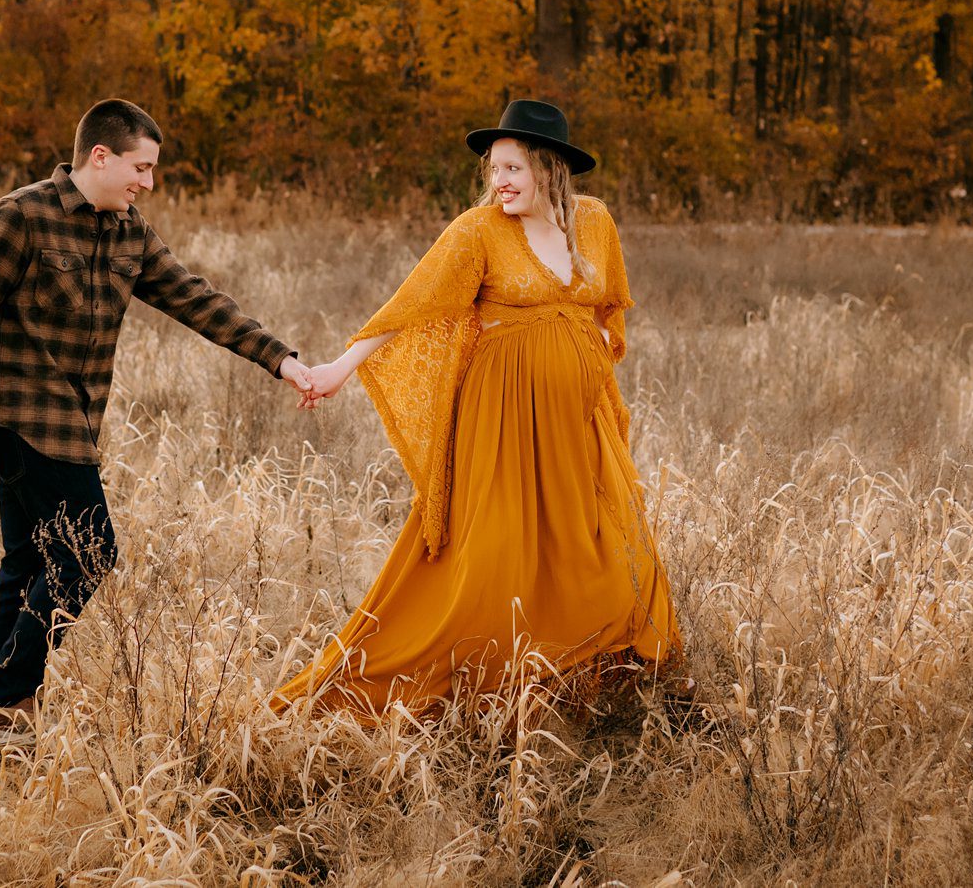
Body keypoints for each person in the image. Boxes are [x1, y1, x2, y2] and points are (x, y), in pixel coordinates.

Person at [278, 99, 682, 715]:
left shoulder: (594, 222)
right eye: (494, 170)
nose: (500, 183)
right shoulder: (478, 230)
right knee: (494, 558)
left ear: (550, 170)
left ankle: (591, 679)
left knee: (605, 545)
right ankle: (479, 687)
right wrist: (338, 368)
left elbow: (609, 305)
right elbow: (411, 306)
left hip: (579, 421)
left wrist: (588, 348)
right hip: (501, 421)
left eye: (513, 169)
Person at [0, 99, 315, 742]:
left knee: (28, 560)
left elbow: (193, 298)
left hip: (78, 419)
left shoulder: (128, 231)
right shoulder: (19, 217)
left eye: (153, 171)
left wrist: (281, 361)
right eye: (141, 167)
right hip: (26, 420)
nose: (148, 182)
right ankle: (11, 696)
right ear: (101, 156)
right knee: (91, 554)